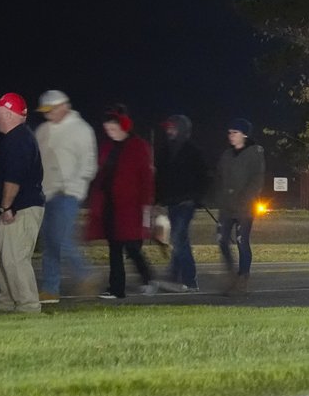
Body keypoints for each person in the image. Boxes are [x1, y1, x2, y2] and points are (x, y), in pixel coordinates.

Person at [33, 89, 97, 302]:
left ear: (64, 106)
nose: (47, 114)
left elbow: (88, 163)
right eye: (45, 111)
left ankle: (85, 274)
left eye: (51, 110)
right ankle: (50, 289)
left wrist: (73, 186)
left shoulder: (81, 129)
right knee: (48, 242)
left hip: (67, 195)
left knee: (60, 239)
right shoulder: (42, 130)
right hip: (45, 194)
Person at [86, 106, 156, 300]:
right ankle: (117, 289)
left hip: (130, 208)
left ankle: (148, 278)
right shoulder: (108, 147)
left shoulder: (138, 146)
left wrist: (146, 207)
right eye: (107, 130)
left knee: (132, 248)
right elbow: (101, 174)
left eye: (113, 129)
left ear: (123, 127)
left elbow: (146, 178)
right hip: (110, 206)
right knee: (114, 248)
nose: (110, 133)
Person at [0, 93, 47, 313]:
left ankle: (28, 306)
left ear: (8, 113)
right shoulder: (13, 138)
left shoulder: (19, 140)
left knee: (14, 259)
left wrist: (6, 207)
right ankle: (7, 301)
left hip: (19, 208)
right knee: (0, 257)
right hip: (14, 208)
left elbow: (13, 179)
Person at [155, 115, 209, 292]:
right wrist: (157, 198)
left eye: (173, 128)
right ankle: (174, 275)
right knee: (178, 239)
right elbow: (159, 178)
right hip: (171, 202)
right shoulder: (164, 151)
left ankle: (190, 280)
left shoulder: (193, 151)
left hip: (186, 203)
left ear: (182, 129)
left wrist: (198, 197)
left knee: (179, 238)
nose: (169, 131)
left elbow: (203, 177)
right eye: (168, 128)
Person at [215, 118, 266, 294]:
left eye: (235, 132)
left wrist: (246, 198)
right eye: (229, 132)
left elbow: (257, 179)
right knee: (221, 239)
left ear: (244, 134)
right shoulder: (226, 155)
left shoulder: (255, 153)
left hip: (244, 207)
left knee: (242, 241)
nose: (231, 136)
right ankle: (231, 275)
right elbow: (219, 178)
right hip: (227, 206)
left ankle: (243, 277)